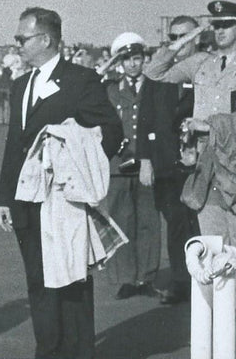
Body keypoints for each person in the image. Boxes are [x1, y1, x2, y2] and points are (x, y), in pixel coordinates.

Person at [0, 7, 123, 359]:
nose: (17, 44)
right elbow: (14, 144)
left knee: (72, 283)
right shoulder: (20, 85)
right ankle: (48, 352)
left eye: (23, 38)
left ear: (46, 40)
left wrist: (77, 166)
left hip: (64, 202)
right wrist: (4, 198)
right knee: (38, 282)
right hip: (26, 201)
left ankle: (79, 352)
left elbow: (111, 132)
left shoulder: (81, 80)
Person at [144, 0, 236, 317]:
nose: (220, 31)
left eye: (226, 25)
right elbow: (154, 72)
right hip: (203, 160)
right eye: (215, 25)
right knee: (211, 230)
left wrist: (208, 124)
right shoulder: (201, 62)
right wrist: (183, 40)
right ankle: (220, 297)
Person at [136, 16, 199, 306]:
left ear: (195, 37)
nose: (179, 42)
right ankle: (181, 281)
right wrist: (145, 160)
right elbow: (145, 117)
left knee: (198, 222)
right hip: (164, 161)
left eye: (184, 36)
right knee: (174, 222)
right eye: (173, 36)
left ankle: (203, 278)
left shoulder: (204, 68)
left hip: (196, 162)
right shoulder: (156, 73)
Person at [100, 32, 161, 300]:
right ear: (118, 63)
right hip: (118, 164)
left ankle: (146, 276)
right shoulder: (110, 90)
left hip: (147, 163)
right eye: (127, 60)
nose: (133, 65)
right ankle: (125, 278)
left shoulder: (154, 86)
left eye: (137, 58)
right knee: (121, 220)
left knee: (148, 221)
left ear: (144, 59)